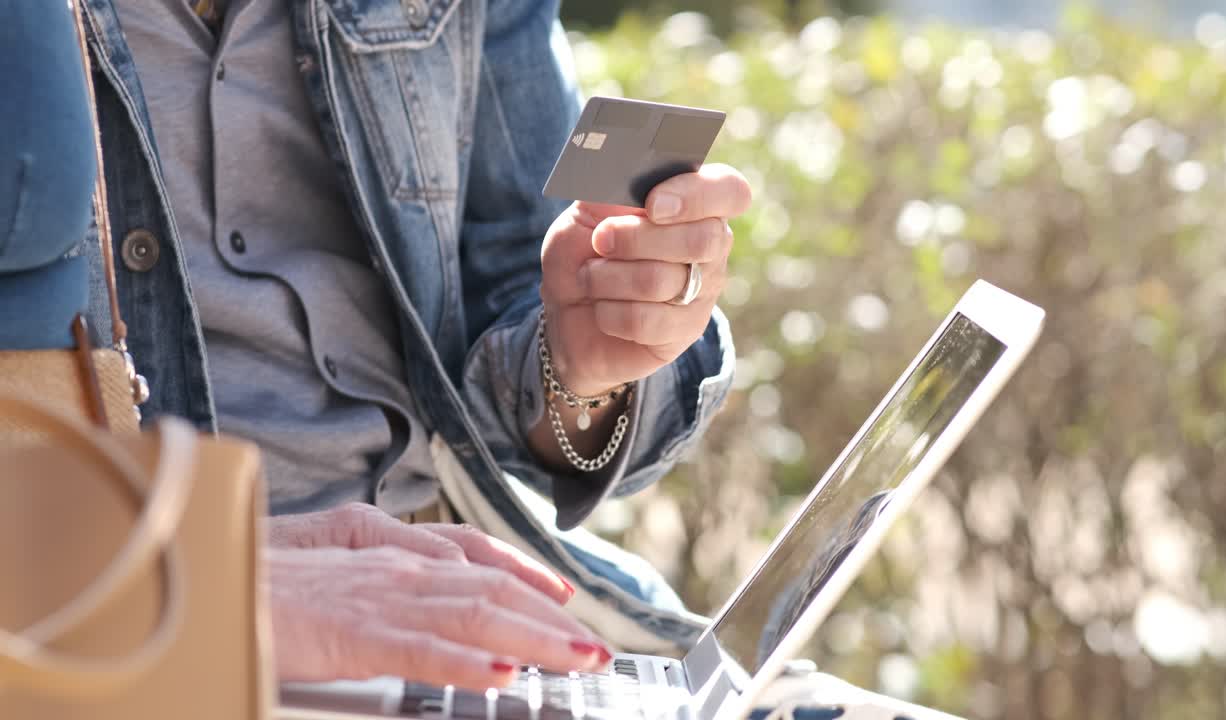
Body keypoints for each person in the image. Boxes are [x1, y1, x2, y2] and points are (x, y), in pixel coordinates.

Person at [19, 0, 752, 692]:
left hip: (445, 584)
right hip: (121, 615)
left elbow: (511, 292)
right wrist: (193, 583)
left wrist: (587, 367)